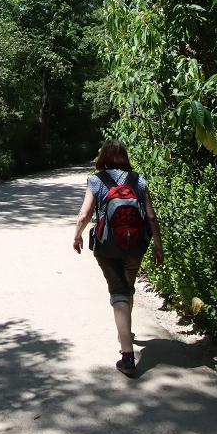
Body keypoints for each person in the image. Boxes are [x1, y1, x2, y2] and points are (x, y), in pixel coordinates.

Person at [73, 139, 164, 378]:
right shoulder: (139, 180)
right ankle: (127, 330)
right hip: (136, 245)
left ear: (103, 156)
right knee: (128, 285)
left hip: (107, 245)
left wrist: (77, 236)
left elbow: (84, 214)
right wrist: (158, 246)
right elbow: (151, 218)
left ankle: (127, 356)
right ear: (124, 156)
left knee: (118, 292)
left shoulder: (96, 180)